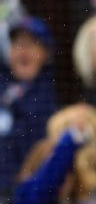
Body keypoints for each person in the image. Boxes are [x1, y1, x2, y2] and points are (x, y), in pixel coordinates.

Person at [0, 17, 58, 201]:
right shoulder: (3, 84)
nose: (23, 51)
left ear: (45, 53)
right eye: (17, 44)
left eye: (32, 44)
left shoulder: (52, 92)